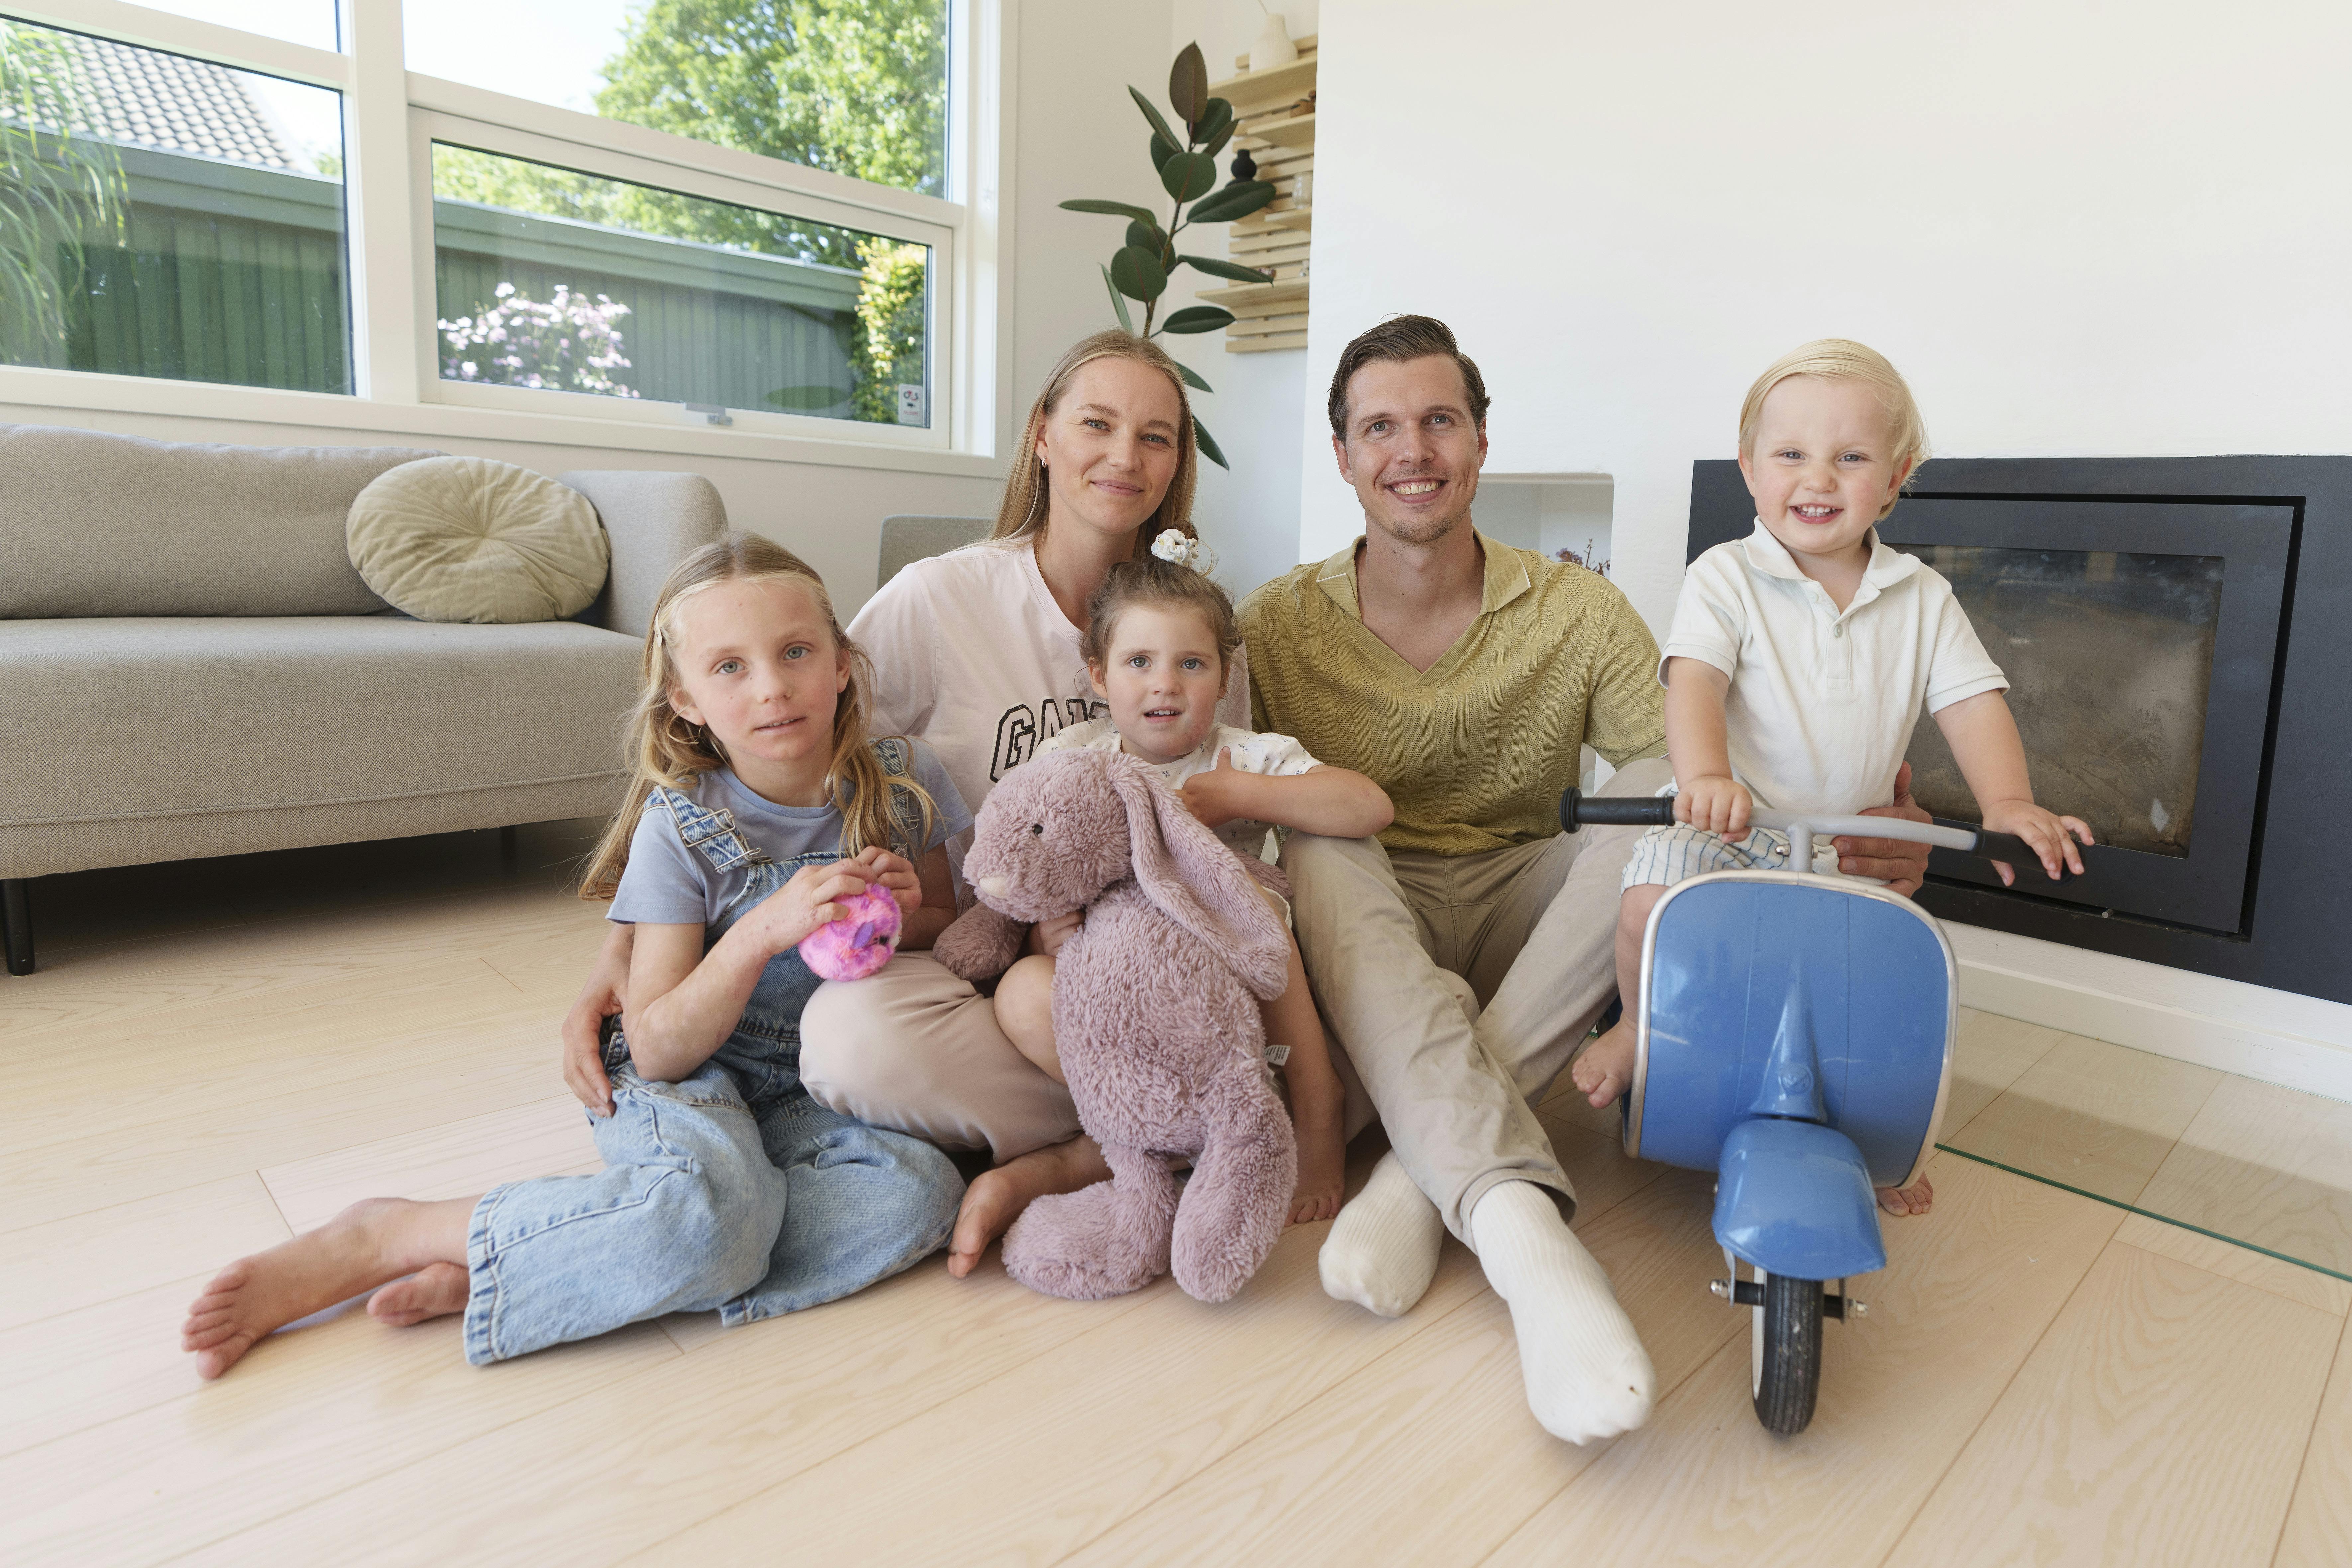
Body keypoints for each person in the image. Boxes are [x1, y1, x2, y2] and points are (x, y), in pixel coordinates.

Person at [1236, 316, 1937, 1444]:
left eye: (1439, 421)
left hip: (1530, 915)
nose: (1412, 450)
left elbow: (1706, 781)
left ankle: (1418, 1176)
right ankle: (1521, 1232)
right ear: (1343, 455)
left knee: (1662, 792)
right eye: (1380, 428)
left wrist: (1870, 821)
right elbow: (1207, 787)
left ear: (1480, 441)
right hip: (1367, 918)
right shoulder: (1273, 622)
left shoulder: (1577, 606)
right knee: (1316, 838)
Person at [179, 536, 965, 1377]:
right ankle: (393, 1230)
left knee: (921, 1193)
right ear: (686, 700)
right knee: (719, 1216)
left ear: (842, 663)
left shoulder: (903, 784)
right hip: (693, 1076)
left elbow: (946, 926)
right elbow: (658, 1047)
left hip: (811, 1084)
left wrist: (909, 916)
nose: (772, 686)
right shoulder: (680, 828)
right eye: (729, 667)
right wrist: (758, 930)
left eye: (796, 652)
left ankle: (559, 1248)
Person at [559, 331, 1253, 1277]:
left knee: (938, 1140)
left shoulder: (1200, 625)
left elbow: (1235, 803)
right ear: (1043, 437)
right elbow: (767, 748)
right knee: (851, 1038)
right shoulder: (938, 599)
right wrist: (624, 952)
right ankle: (1169, 1131)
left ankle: (1115, 1144)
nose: (1125, 456)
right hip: (988, 969)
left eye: (1156, 436)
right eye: (1097, 423)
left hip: (1149, 962)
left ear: (1177, 463)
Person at [1570, 341, 2092, 1221]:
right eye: (1791, 454)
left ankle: (1878, 1133)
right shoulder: (1726, 577)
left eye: (1851, 457)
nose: (1818, 478)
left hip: (1852, 840)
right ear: (1749, 468)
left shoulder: (1922, 596)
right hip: (1732, 824)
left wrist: (2007, 802)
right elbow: (1694, 681)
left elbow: (1973, 704)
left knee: (1872, 989)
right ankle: (1637, 1026)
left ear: (1895, 478)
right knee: (1649, 903)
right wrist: (1706, 778)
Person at [1004, 528, 1393, 1223]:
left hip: (1224, 977)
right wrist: (1044, 933)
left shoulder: (1240, 756)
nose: (1165, 683)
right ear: (1098, 675)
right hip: (1120, 981)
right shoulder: (1074, 760)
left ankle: (1316, 1099)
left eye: (1192, 663)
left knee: (1255, 905)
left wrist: (1245, 795)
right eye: (1139, 661)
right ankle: (1170, 1128)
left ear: (1225, 676)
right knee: (1020, 993)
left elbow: (1369, 806)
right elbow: (1024, 861)